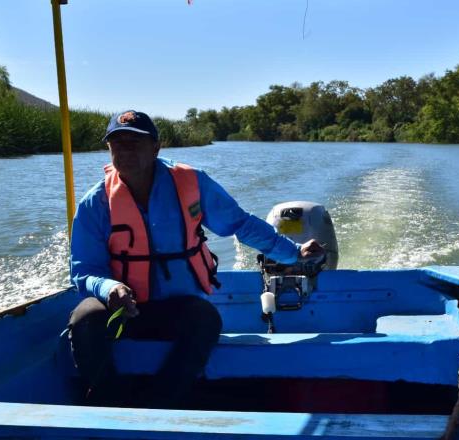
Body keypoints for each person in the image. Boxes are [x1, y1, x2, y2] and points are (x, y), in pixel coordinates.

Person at [68, 110, 323, 408]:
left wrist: (293, 252)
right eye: (117, 143)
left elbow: (240, 224)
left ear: (155, 147)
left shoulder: (190, 183)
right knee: (84, 318)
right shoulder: (94, 203)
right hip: (123, 310)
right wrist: (109, 289)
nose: (125, 150)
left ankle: (159, 404)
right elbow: (84, 271)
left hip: (176, 308)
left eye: (135, 142)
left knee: (206, 320)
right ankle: (107, 403)